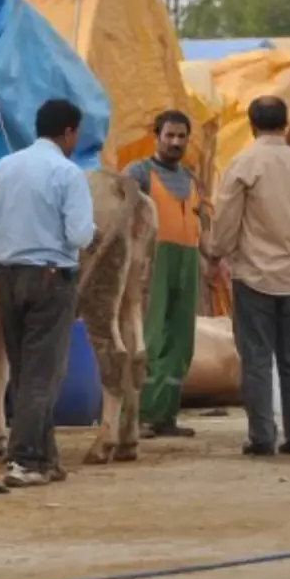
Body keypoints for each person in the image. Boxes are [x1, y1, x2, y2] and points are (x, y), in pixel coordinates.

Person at [0, 98, 96, 488]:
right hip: (50, 277)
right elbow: (79, 234)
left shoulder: (2, 168)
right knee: (44, 374)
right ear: (70, 131)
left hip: (6, 277)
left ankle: (47, 458)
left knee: (25, 371)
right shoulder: (68, 173)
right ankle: (24, 460)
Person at [207, 96, 290, 456]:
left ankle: (261, 437)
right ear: (286, 125)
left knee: (256, 359)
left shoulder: (243, 165)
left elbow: (227, 219)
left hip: (252, 277)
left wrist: (216, 255)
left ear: (251, 124)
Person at [124, 110, 205, 439]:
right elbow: (122, 219)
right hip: (153, 262)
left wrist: (214, 261)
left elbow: (203, 223)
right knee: (152, 338)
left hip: (188, 263)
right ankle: (140, 416)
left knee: (181, 342)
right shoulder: (138, 173)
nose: (175, 142)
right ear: (155, 136)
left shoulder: (191, 178)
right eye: (169, 135)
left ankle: (166, 415)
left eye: (181, 136)